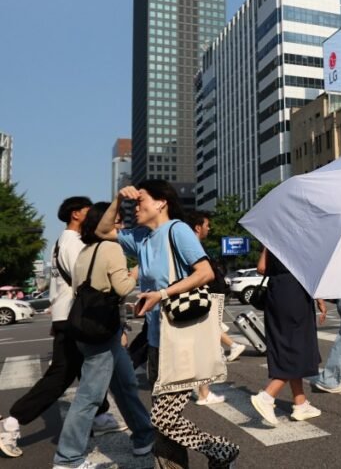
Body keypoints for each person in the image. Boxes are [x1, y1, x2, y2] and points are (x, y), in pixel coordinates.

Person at [97, 180, 240, 468]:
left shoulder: (178, 230)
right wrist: (118, 199)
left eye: (141, 201)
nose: (136, 207)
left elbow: (205, 273)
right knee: (164, 426)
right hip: (156, 340)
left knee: (163, 419)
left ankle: (220, 449)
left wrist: (162, 294)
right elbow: (102, 231)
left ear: (161, 202)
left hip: (182, 340)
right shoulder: (141, 238)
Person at [1, 197, 125, 459]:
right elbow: (85, 282)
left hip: (66, 316)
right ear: (76, 214)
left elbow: (60, 285)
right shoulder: (76, 243)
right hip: (76, 319)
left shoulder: (60, 243)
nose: (96, 217)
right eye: (89, 211)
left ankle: (100, 417)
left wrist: (57, 321)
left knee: (86, 370)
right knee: (61, 376)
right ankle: (11, 423)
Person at [52, 203, 156, 469]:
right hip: (102, 331)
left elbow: (80, 289)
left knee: (125, 384)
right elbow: (122, 288)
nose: (119, 226)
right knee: (90, 396)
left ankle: (143, 435)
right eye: (116, 221)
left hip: (88, 327)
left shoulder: (85, 251)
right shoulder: (111, 248)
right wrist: (136, 271)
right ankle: (68, 458)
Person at [250, 248, 328, 425]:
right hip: (296, 292)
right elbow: (310, 270)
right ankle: (268, 396)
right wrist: (320, 298)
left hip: (276, 293)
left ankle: (300, 403)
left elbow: (261, 267)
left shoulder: (274, 237)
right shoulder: (301, 238)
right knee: (300, 347)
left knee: (289, 345)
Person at [185, 211, 248, 407]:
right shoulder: (193, 247)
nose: (209, 228)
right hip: (204, 299)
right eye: (207, 225)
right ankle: (203, 393)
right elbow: (201, 275)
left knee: (202, 345)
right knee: (204, 347)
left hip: (204, 299)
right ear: (198, 227)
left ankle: (202, 390)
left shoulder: (192, 245)